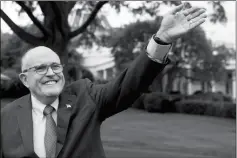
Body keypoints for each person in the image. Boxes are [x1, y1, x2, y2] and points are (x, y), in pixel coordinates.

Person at [1, 3, 207, 158]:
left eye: (55, 66)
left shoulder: (85, 96)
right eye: (40, 68)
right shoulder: (6, 117)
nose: (51, 73)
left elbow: (127, 86)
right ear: (24, 79)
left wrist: (161, 39)